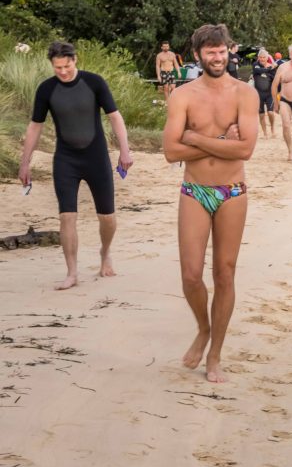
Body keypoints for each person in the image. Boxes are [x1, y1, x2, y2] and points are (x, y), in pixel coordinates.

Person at [162, 24, 259, 383]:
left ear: (229, 51)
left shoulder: (245, 94)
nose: (217, 57)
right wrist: (219, 138)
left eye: (222, 51)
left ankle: (215, 352)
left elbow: (246, 149)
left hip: (232, 191)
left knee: (224, 273)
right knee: (190, 274)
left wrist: (195, 137)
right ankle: (203, 328)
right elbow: (171, 152)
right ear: (198, 55)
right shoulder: (183, 96)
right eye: (210, 52)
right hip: (195, 191)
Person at [18, 41, 134, 290]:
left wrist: (125, 150)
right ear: (52, 65)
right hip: (66, 159)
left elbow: (115, 116)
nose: (62, 71)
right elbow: (35, 126)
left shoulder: (94, 82)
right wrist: (25, 163)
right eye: (57, 67)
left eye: (67, 65)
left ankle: (105, 253)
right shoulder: (46, 89)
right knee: (67, 216)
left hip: (96, 157)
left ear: (75, 60)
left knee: (107, 217)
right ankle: (72, 272)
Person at [251, 50, 277, 138]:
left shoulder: (272, 68)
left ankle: (272, 128)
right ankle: (265, 133)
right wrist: (270, 68)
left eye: (264, 57)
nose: (262, 59)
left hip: (269, 94)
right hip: (258, 94)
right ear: (258, 58)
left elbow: (276, 80)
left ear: (267, 58)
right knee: (261, 114)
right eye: (260, 57)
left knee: (270, 113)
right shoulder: (255, 65)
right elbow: (260, 70)